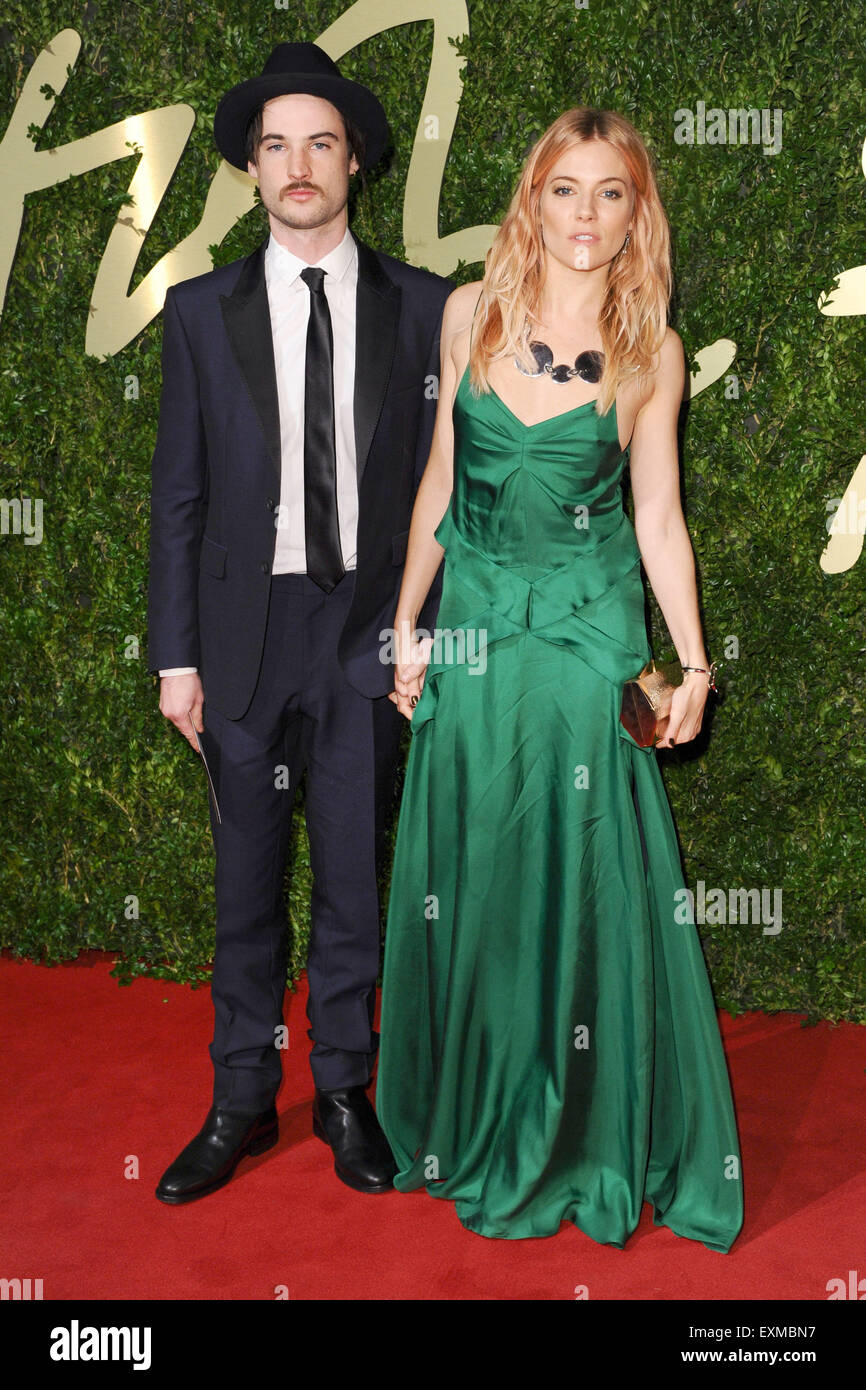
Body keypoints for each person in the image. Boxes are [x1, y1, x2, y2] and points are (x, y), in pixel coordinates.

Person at [376, 107, 744, 1250]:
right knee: (478, 879)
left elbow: (656, 519)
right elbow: (440, 478)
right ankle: (474, 1114)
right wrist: (405, 623)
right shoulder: (465, 315)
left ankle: (583, 1128)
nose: (584, 215)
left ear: (638, 212)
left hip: (586, 645)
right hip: (479, 636)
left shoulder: (651, 354)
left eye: (610, 193)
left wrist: (689, 660)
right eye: (563, 189)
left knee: (581, 882)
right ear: (529, 198)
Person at [147, 41, 452, 1204]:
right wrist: (174, 656)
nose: (297, 164)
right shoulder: (196, 312)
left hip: (365, 633)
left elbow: (446, 486)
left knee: (353, 884)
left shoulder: (424, 307)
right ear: (247, 168)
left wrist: (426, 631)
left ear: (357, 159)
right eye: (274, 145)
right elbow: (176, 496)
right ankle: (236, 1099)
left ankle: (341, 1090)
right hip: (238, 637)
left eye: (319, 141)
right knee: (244, 884)